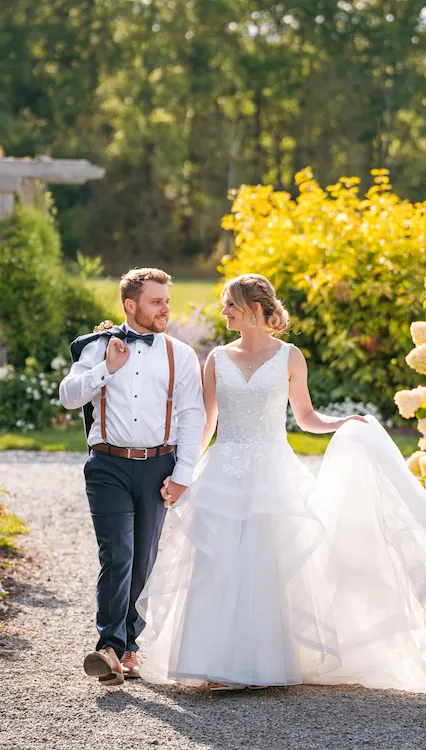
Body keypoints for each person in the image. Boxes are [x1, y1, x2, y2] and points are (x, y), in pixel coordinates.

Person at [136, 273, 426, 693]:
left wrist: (342, 423)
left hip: (272, 471)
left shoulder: (290, 357)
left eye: (230, 305)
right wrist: (185, 474)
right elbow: (207, 423)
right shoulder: (217, 359)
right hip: (223, 468)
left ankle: (262, 662)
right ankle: (212, 661)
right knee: (217, 562)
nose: (223, 312)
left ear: (254, 310)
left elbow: (306, 417)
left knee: (266, 563)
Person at [59, 268, 205, 685]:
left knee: (144, 560)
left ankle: (129, 646)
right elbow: (69, 397)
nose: (165, 309)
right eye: (156, 301)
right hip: (107, 465)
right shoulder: (98, 347)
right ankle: (108, 645)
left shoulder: (181, 354)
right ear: (130, 305)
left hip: (159, 466)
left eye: (166, 301)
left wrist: (183, 474)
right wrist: (107, 367)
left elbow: (192, 416)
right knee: (117, 554)